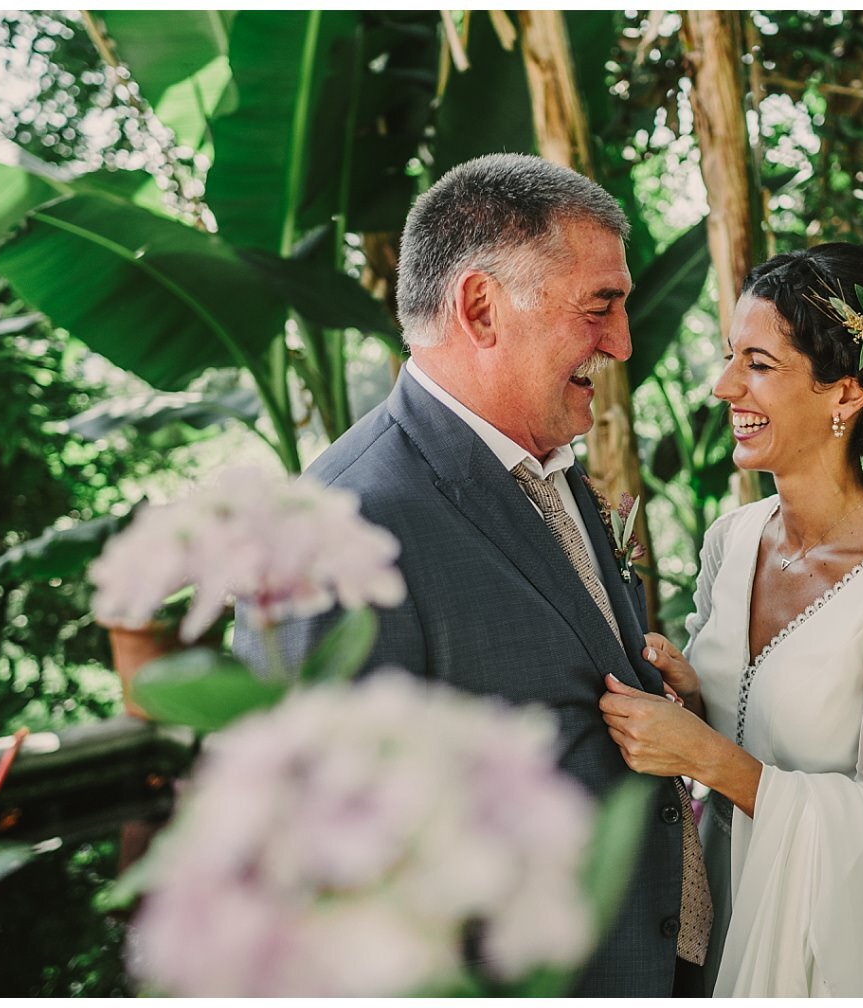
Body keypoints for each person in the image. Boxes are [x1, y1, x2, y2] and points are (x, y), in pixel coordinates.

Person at [236, 153, 702, 996]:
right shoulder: (334, 529)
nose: (624, 344)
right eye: (601, 307)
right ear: (482, 307)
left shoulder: (553, 470)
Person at [599, 243, 863, 997]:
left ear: (847, 393)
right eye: (731, 356)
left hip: (809, 967)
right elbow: (737, 726)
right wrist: (690, 697)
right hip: (699, 932)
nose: (723, 385)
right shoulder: (730, 542)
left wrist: (705, 756)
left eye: (759, 365)